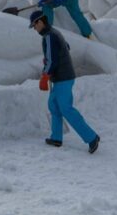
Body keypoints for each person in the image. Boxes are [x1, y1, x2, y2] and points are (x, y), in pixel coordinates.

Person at [29, 10, 100, 154]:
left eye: (34, 25)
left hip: (63, 78)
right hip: (62, 76)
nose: (34, 29)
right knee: (54, 106)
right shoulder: (55, 33)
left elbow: (52, 59)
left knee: (66, 108)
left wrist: (45, 75)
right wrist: (54, 57)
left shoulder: (48, 36)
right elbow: (66, 47)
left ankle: (91, 137)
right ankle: (56, 138)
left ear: (40, 22)